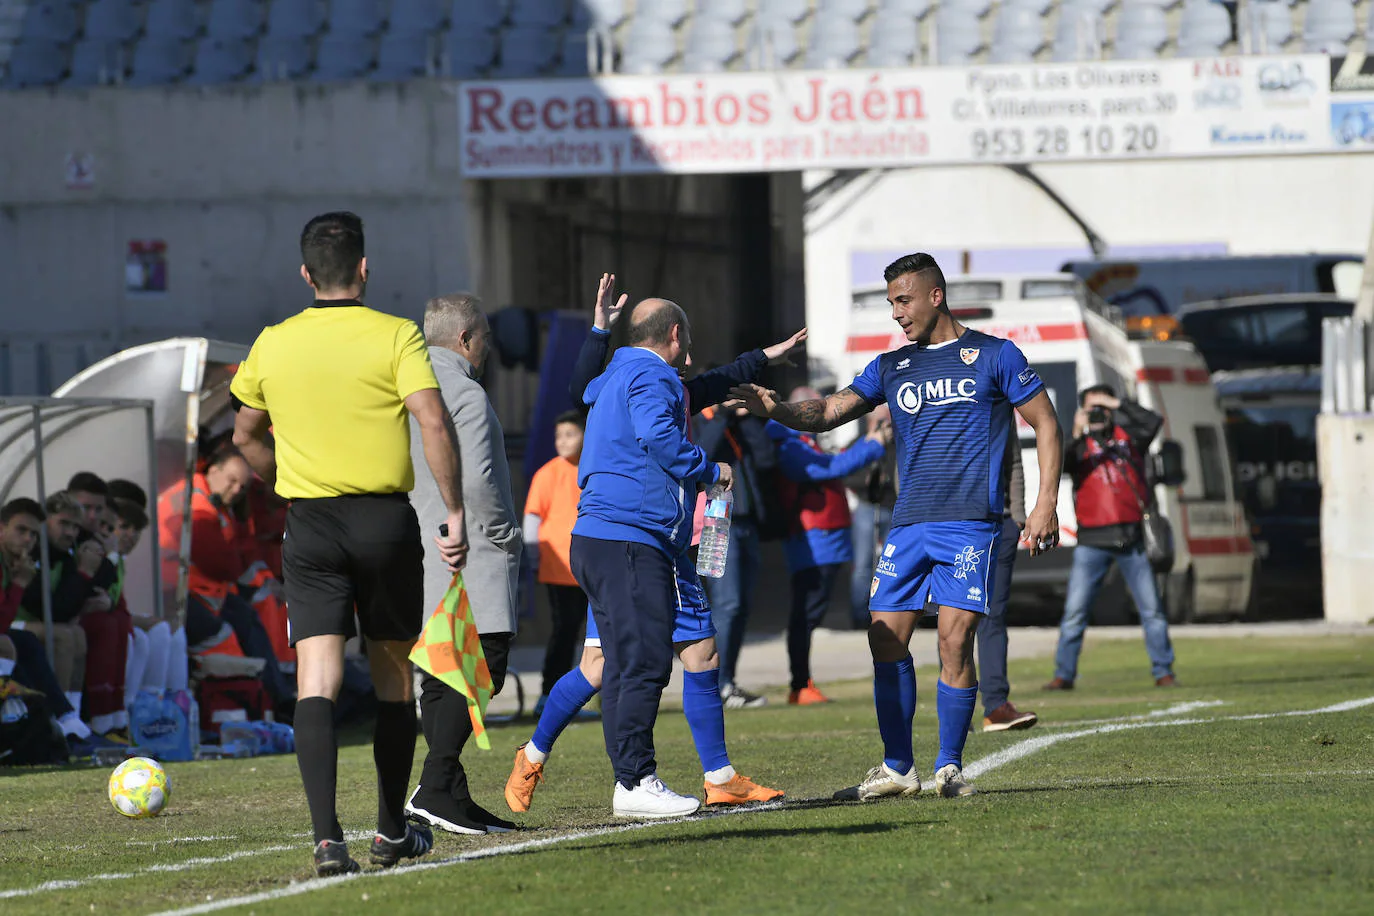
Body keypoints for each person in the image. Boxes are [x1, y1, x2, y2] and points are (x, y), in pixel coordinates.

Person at [731, 252, 1063, 800]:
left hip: (969, 525)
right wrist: (776, 410)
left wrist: (1045, 502)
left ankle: (950, 766)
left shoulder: (996, 356)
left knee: (955, 643)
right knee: (884, 640)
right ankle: (897, 768)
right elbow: (832, 410)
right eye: (890, 303)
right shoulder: (892, 367)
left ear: (936, 295)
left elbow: (1046, 423)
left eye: (902, 300)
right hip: (908, 525)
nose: (896, 313)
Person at [230, 211, 468, 876]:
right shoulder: (396, 336)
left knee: (318, 678)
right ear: (365, 269)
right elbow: (433, 421)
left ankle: (326, 839)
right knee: (393, 680)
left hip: (310, 523)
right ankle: (390, 832)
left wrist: (285, 482)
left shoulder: (273, 342)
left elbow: (243, 434)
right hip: (384, 523)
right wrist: (453, 510)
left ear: (305, 275)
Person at [506, 276, 798, 819]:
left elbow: (705, 385)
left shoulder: (620, 371)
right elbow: (660, 437)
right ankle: (633, 781)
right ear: (675, 333)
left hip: (636, 544)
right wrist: (711, 471)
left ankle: (716, 777)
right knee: (629, 663)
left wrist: (761, 357)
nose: (690, 353)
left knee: (683, 654)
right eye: (687, 341)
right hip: (632, 541)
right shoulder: (650, 377)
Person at [404, 293, 523, 837]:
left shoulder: (402, 386)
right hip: (469, 547)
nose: (488, 350)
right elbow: (478, 482)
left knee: (440, 670)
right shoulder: (466, 394)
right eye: (486, 340)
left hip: (420, 547)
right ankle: (435, 784)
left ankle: (450, 791)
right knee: (480, 663)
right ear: (467, 340)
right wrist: (504, 534)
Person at [1045, 385, 1177, 690]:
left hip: (1131, 539)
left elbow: (1153, 422)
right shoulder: (1080, 446)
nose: (1098, 414)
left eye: (1102, 408)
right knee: (1076, 612)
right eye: (1092, 408)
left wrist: (1117, 403)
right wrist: (1078, 431)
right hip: (1092, 542)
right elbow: (1060, 464)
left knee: (1152, 610)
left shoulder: (1129, 438)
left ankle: (1163, 671)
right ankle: (1064, 674)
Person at [768, 387, 889, 705]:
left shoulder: (799, 441)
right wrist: (872, 446)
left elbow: (830, 465)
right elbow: (830, 469)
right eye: (812, 405)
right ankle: (799, 683)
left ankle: (802, 683)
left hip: (824, 539)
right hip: (812, 539)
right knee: (805, 615)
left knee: (809, 613)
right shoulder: (789, 445)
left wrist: (870, 441)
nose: (818, 411)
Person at [693, 401, 775, 709]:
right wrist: (723, 415)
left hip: (746, 520)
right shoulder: (700, 419)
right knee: (727, 604)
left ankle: (727, 681)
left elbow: (766, 456)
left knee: (740, 607)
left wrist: (747, 420)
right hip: (715, 517)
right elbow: (703, 452)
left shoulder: (740, 427)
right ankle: (715, 684)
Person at [523, 410, 594, 715]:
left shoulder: (594, 467)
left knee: (591, 636)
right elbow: (532, 517)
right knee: (564, 631)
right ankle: (548, 695)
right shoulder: (547, 473)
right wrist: (533, 558)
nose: (562, 441)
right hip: (558, 568)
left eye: (570, 434)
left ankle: (579, 697)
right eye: (558, 435)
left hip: (591, 567)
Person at [978, 442, 1039, 732]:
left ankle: (996, 705)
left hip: (1000, 522)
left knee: (994, 616)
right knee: (952, 618)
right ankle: (956, 711)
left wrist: (1017, 515)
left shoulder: (999, 399)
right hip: (951, 523)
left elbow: (1013, 460)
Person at [846, 405, 898, 630]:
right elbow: (846, 474)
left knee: (892, 564)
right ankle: (859, 614)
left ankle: (891, 612)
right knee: (863, 565)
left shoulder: (898, 442)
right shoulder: (858, 443)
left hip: (893, 507)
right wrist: (865, 481)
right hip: (868, 506)